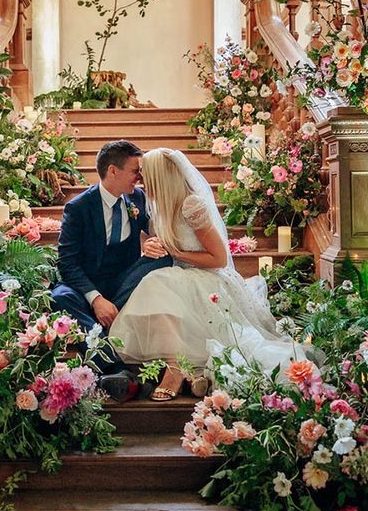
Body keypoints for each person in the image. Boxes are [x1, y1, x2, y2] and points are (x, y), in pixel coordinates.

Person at [109, 148, 310, 401]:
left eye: (144, 175)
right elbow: (156, 242)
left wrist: (177, 253)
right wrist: (148, 245)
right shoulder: (157, 206)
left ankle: (175, 370)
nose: (140, 181)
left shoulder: (191, 204)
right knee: (157, 285)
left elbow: (219, 259)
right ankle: (185, 370)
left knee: (155, 283)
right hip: (178, 277)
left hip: (206, 277)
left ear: (161, 176)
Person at [51, 139, 172, 396]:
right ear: (113, 171)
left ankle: (110, 350)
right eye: (135, 171)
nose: (140, 178)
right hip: (88, 286)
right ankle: (116, 367)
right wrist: (96, 300)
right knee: (59, 297)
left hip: (122, 283)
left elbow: (157, 232)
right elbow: (66, 262)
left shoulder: (137, 198)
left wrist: (153, 243)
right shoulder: (79, 207)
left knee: (163, 259)